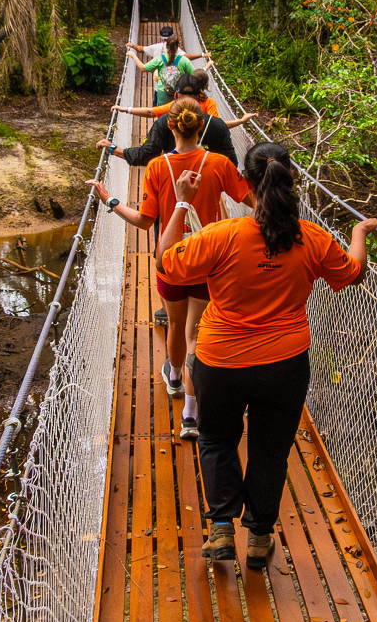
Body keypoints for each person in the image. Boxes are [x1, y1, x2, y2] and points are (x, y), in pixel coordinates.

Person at [155, 143, 377, 570]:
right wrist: (358, 233)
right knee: (270, 450)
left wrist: (180, 205)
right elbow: (353, 273)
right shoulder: (311, 239)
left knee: (216, 439)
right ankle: (260, 538)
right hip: (284, 366)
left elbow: (167, 267)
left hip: (221, 362)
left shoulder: (220, 236)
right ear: (291, 181)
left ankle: (222, 528)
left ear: (244, 182)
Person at [88, 97, 253, 442]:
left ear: (170, 126)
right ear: (200, 125)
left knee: (176, 326)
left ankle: (174, 376)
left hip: (172, 262)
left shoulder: (158, 168)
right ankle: (191, 414)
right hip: (211, 263)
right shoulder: (220, 164)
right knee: (197, 334)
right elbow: (253, 201)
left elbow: (145, 221)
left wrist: (111, 201)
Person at [101, 70, 256, 168]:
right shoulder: (216, 125)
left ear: (175, 95)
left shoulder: (164, 123)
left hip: (172, 186)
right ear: (199, 95)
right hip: (206, 200)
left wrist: (112, 148)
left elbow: (145, 154)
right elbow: (231, 163)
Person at [127, 26, 215, 106]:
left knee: (159, 114)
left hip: (161, 92)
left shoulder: (159, 57)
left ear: (165, 43)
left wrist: (132, 53)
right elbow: (196, 76)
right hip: (179, 94)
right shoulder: (183, 59)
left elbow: (142, 66)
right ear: (177, 46)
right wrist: (206, 64)